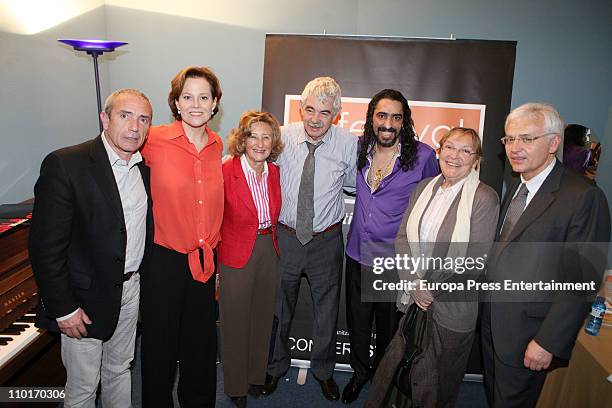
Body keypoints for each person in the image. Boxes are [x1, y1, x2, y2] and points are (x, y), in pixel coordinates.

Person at [29, 88, 153, 408]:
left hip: (129, 291)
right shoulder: (67, 163)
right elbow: (45, 247)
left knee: (120, 370)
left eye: (143, 119)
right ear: (105, 118)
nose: (134, 127)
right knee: (84, 386)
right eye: (125, 116)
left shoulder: (144, 169)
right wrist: (63, 307)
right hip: (83, 299)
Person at [481, 103, 610, 407]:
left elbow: (581, 280)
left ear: (553, 143)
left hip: (530, 332)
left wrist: (548, 342)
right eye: (509, 139)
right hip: (492, 321)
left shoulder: (584, 197)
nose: (515, 148)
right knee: (495, 396)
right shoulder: (516, 183)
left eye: (527, 139)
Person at [364, 127, 499, 407]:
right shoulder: (423, 188)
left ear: (477, 160)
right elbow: (402, 237)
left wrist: (429, 289)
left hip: (451, 308)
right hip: (413, 299)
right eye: (449, 147)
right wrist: (414, 283)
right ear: (438, 152)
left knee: (438, 385)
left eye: (465, 150)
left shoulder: (484, 198)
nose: (455, 155)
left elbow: (475, 260)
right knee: (398, 373)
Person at [262, 77, 358, 401]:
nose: (315, 119)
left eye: (325, 113)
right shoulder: (282, 137)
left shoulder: (348, 144)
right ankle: (274, 368)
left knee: (327, 312)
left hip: (326, 242)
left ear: (337, 115)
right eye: (310, 110)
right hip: (286, 237)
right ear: (300, 108)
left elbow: (354, 187)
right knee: (278, 309)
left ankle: (324, 372)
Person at [342, 89, 439, 403]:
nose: (388, 123)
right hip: (357, 253)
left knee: (387, 331)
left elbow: (438, 199)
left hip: (391, 261)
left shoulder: (423, 156)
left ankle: (382, 385)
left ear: (404, 122)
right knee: (357, 325)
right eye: (382, 116)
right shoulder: (359, 149)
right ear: (371, 118)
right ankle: (359, 374)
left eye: (396, 117)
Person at [140, 66, 223, 408]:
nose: (195, 104)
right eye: (187, 97)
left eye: (204, 97)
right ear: (175, 102)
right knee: (159, 350)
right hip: (163, 263)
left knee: (200, 348)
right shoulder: (152, 139)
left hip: (203, 262)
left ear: (215, 103)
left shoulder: (219, 146)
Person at [218, 111, 284, 407]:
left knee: (261, 317)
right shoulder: (226, 170)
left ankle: (256, 376)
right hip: (235, 252)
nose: (259, 143)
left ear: (273, 142)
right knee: (234, 322)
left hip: (267, 249)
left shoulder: (275, 172)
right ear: (242, 140)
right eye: (253, 136)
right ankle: (235, 385)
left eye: (266, 136)